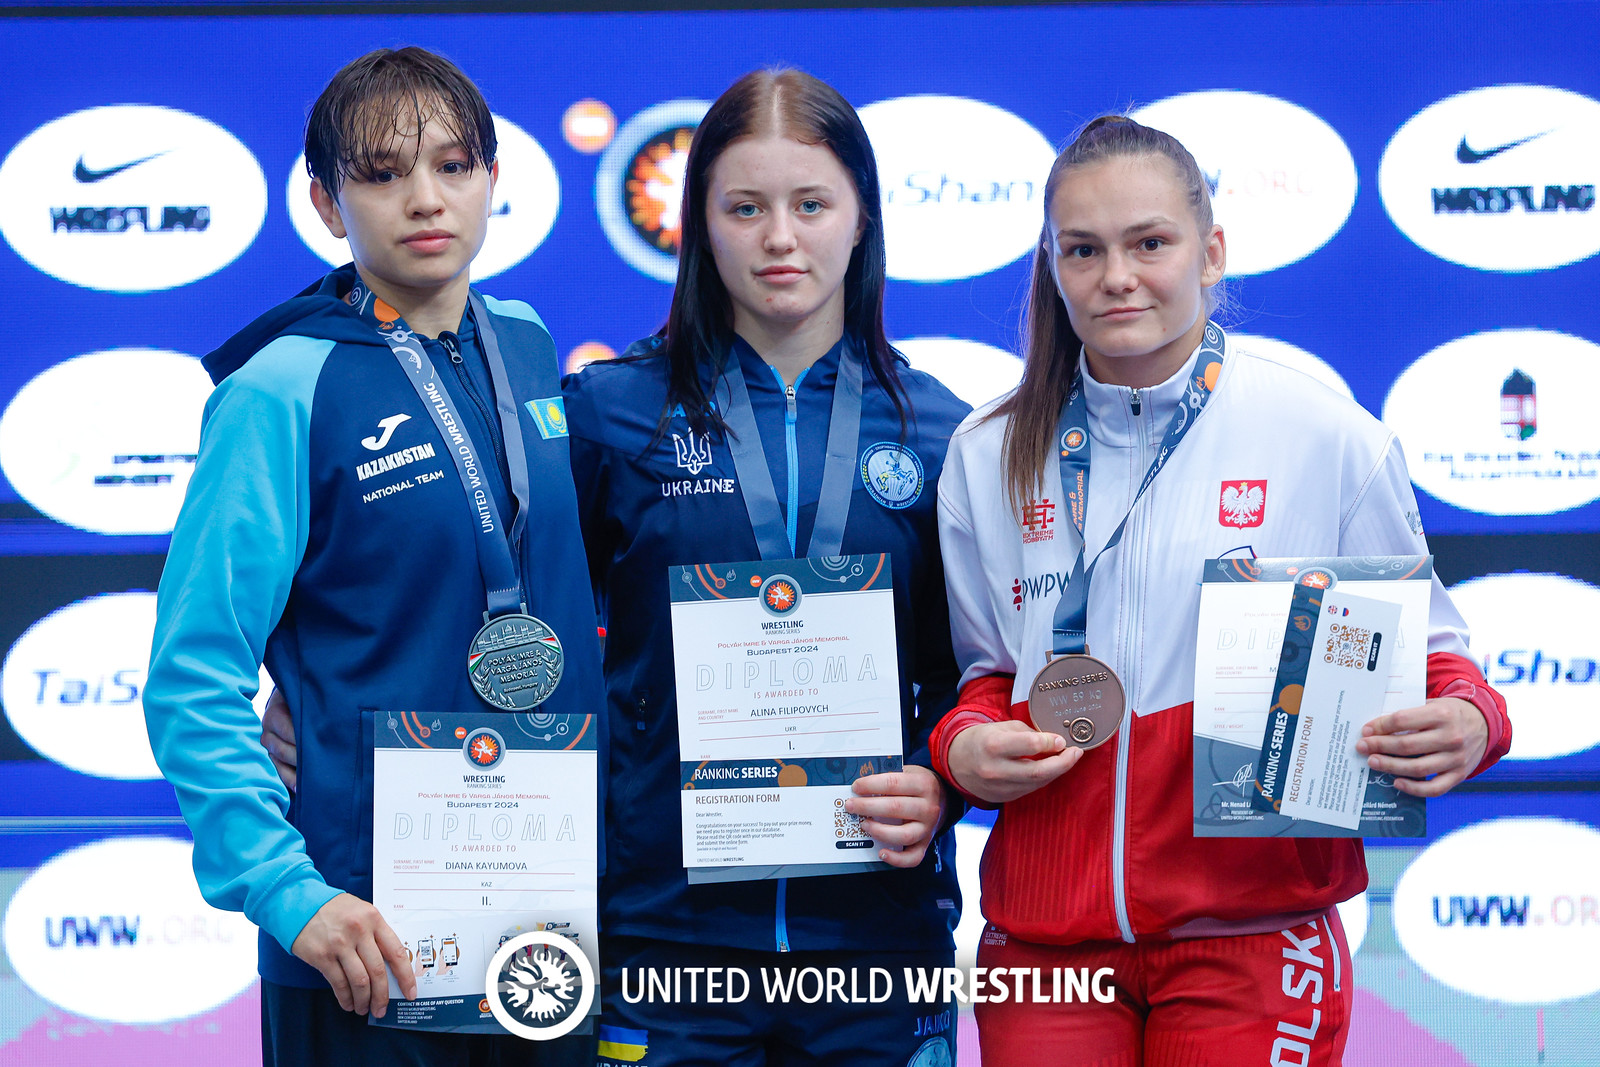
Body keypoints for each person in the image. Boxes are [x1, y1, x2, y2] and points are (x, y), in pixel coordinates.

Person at [264, 66, 969, 1065]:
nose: (779, 237)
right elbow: (492, 597)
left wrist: (943, 779)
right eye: (744, 206)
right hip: (660, 942)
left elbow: (972, 678)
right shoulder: (604, 413)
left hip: (879, 945)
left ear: (861, 218)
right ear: (697, 221)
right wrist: (314, 703)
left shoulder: (946, 434)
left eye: (811, 204)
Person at [928, 115, 1512, 1066]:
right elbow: (987, 672)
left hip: (1253, 927)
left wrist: (1472, 719)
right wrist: (966, 743)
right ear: (1053, 264)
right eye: (1084, 249)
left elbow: (1439, 659)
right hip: (1046, 941)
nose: (1117, 275)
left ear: (1211, 252)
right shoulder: (988, 452)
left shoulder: (1322, 435)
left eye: (1149, 242)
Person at [144, 47, 602, 1066]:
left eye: (452, 164)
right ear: (322, 200)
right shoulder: (278, 387)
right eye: (383, 173)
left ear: (495, 178)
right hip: (363, 935)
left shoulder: (525, 340)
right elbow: (192, 670)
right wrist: (286, 889)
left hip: (547, 917)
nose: (425, 199)